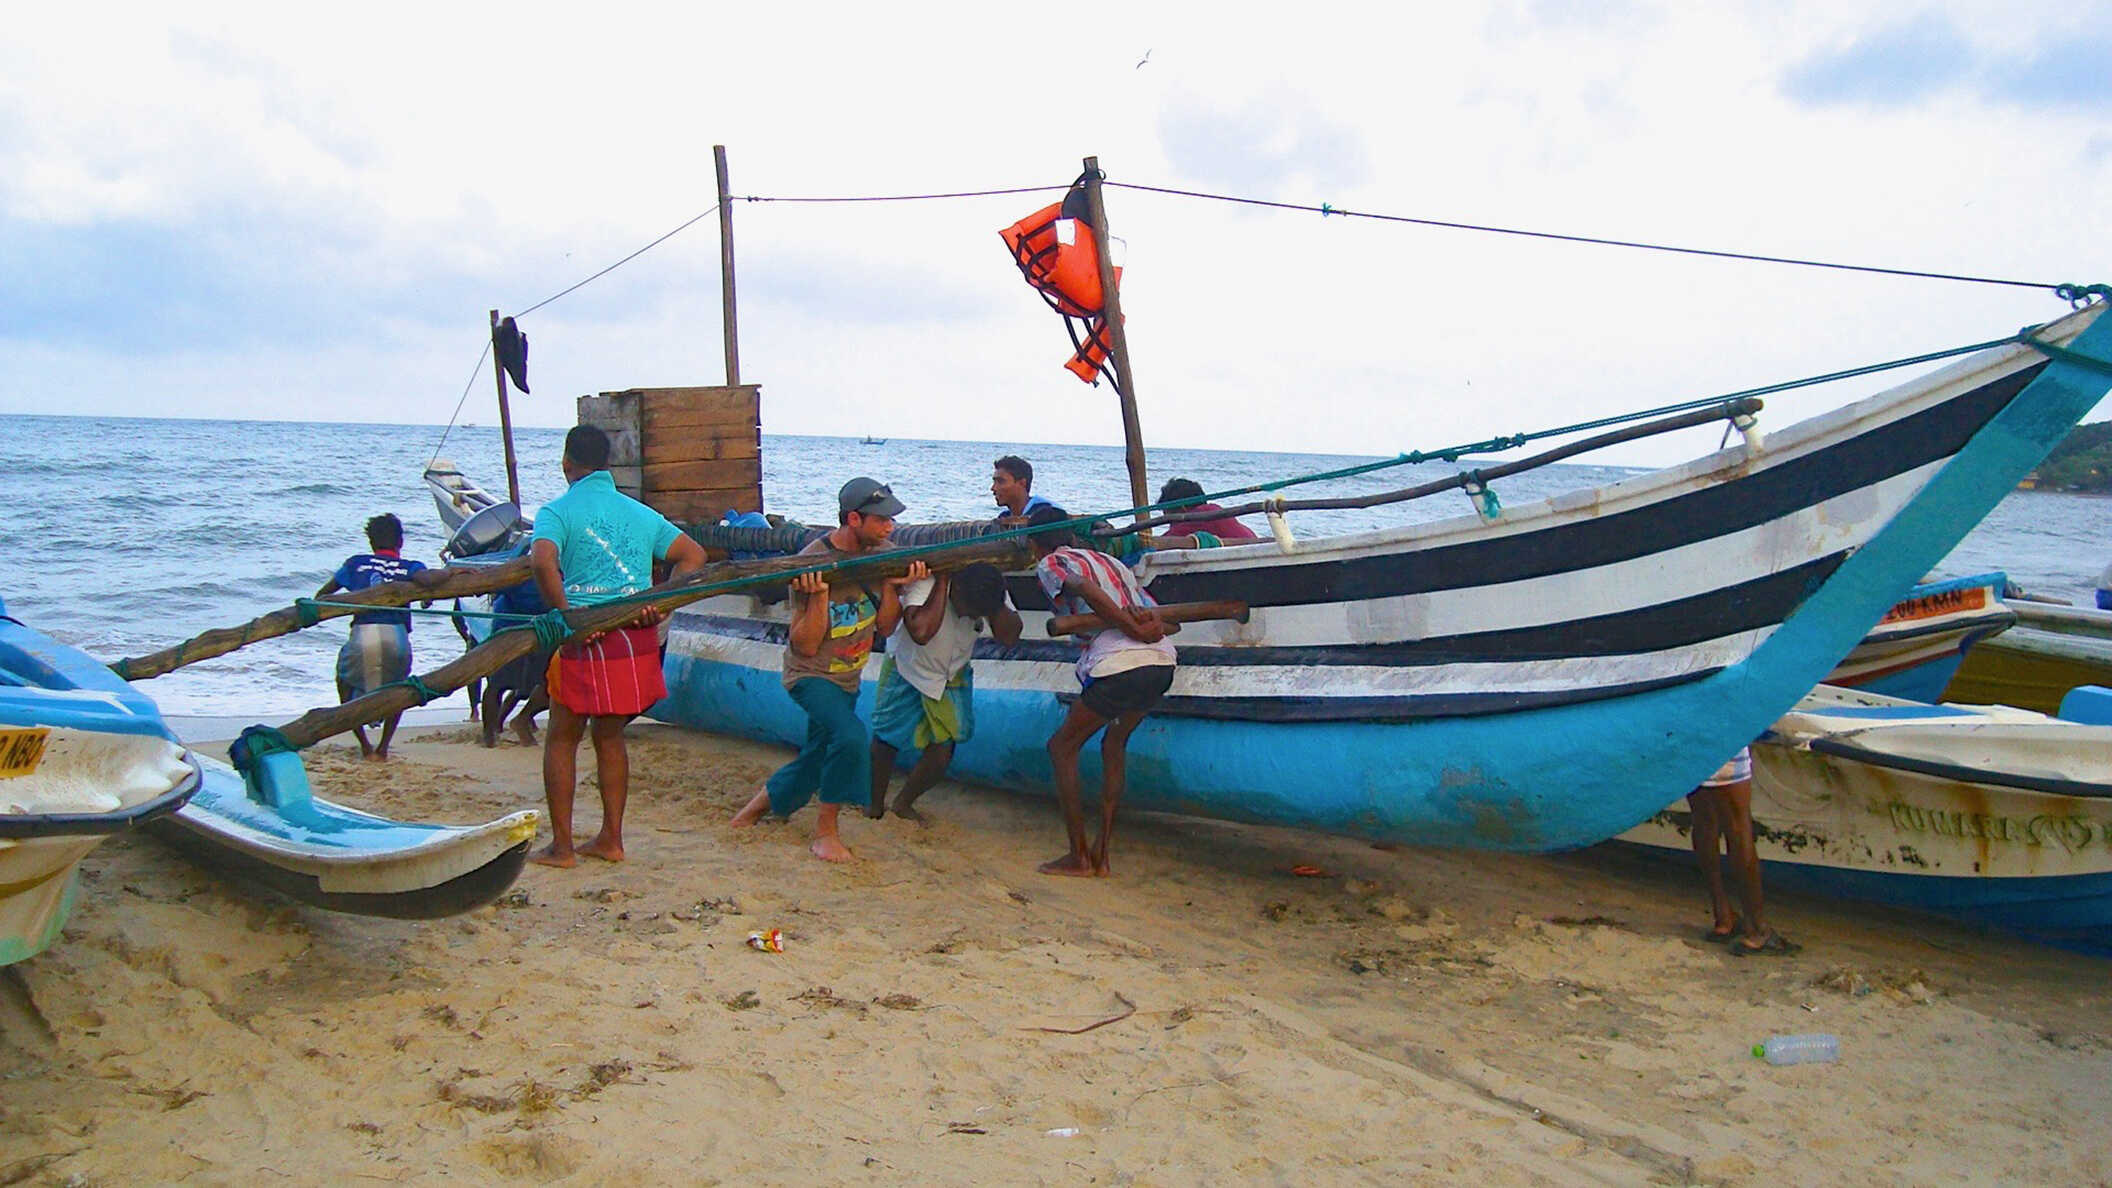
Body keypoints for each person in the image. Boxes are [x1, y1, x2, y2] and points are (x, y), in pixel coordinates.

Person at [527, 425, 707, 868]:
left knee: (562, 737)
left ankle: (563, 847)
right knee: (609, 735)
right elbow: (694, 555)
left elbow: (542, 561)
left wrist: (566, 615)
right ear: (607, 464)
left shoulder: (556, 511)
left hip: (586, 634)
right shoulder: (639, 512)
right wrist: (660, 602)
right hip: (633, 635)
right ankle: (611, 839)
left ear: (567, 463)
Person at [731, 478, 927, 862]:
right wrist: (819, 596)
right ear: (854, 519)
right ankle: (825, 833)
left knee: (816, 756)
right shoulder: (811, 559)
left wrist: (894, 587)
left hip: (848, 676)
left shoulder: (884, 555)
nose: (890, 527)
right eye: (881, 520)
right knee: (851, 737)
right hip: (811, 675)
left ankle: (749, 814)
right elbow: (804, 645)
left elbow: (886, 627)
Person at [1025, 504, 1176, 876]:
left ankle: (1078, 857)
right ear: (1072, 535)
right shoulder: (1113, 563)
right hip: (1161, 663)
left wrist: (1130, 627)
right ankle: (1102, 855)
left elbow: (1082, 587)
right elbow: (1166, 621)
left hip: (1118, 666)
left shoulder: (1051, 563)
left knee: (1062, 748)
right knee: (1114, 743)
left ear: (1034, 544)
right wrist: (1144, 626)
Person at [867, 562, 1022, 822]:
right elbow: (921, 632)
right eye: (966, 608)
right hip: (908, 666)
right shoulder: (925, 582)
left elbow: (1009, 637)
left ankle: (903, 803)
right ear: (956, 587)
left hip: (952, 673)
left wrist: (996, 606)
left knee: (943, 751)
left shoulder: (990, 588)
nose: (967, 615)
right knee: (885, 741)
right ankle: (874, 806)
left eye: (976, 614)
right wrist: (942, 581)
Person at [317, 514, 431, 761]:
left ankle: (366, 747)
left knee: (344, 682)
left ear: (371, 542)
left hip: (363, 634)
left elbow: (324, 595)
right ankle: (383, 748)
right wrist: (428, 595)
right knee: (399, 688)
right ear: (400, 541)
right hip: (397, 637)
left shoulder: (355, 564)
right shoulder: (411, 567)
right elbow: (428, 584)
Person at [1687, 747, 1796, 956]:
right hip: (1723, 742)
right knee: (1738, 826)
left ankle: (1723, 918)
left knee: (1703, 821)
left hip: (1690, 745)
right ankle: (1757, 929)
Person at [481, 577, 552, 748]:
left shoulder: (565, 572)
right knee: (498, 684)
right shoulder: (519, 573)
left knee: (547, 684)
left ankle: (521, 719)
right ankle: (490, 734)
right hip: (508, 632)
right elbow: (488, 585)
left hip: (542, 632)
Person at [1155, 478, 1259, 541]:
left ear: (1183, 508)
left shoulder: (1197, 519)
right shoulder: (1214, 512)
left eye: (1167, 515)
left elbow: (1156, 545)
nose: (1169, 524)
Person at [990, 455, 1055, 522]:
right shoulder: (1004, 516)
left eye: (1000, 481)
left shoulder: (1050, 513)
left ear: (1022, 483)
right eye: (994, 482)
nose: (993, 488)